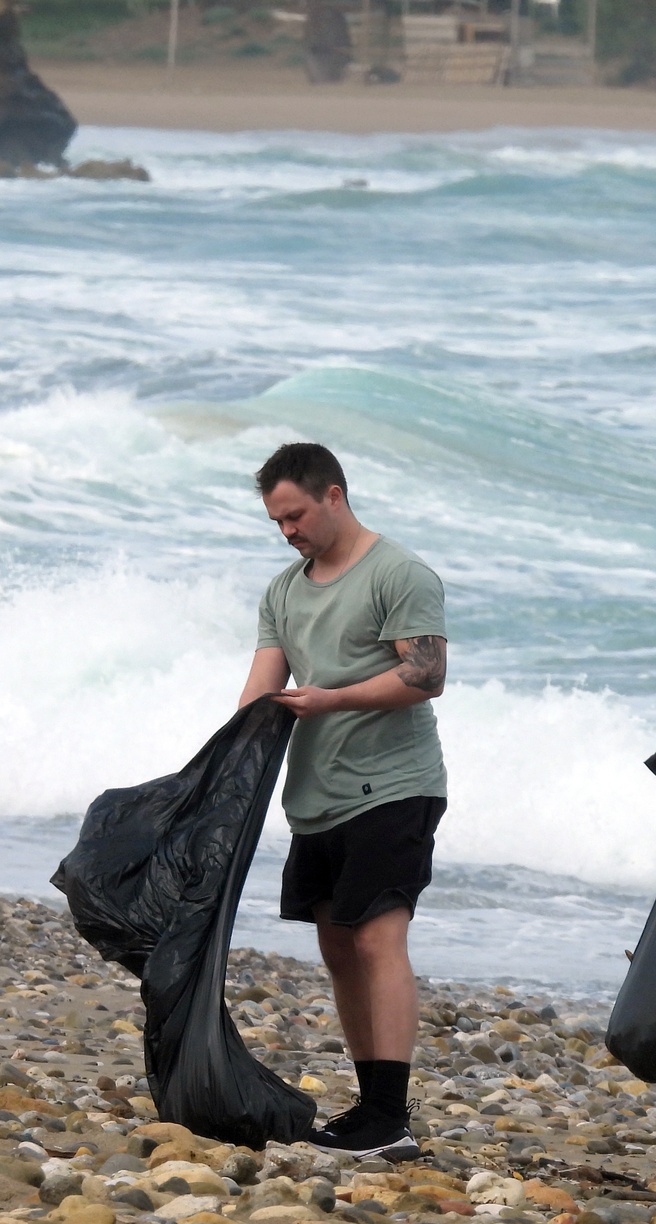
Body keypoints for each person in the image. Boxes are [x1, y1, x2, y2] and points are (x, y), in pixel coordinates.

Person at [239, 442, 448, 1161]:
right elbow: (261, 691)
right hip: (317, 796)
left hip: (396, 785)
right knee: (335, 946)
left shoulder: (399, 573)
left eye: (295, 514)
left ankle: (391, 1115)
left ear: (334, 495)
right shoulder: (283, 590)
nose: (287, 530)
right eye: (277, 521)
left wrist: (331, 700)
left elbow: (424, 677)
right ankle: (369, 1107)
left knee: (375, 937)